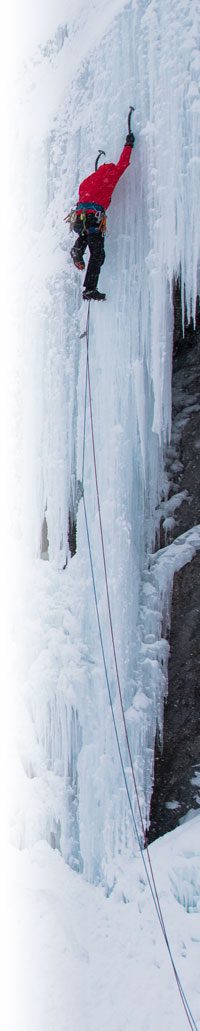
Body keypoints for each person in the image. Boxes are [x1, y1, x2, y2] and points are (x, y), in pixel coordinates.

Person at [69, 127, 135, 301]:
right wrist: (128, 145)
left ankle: (77, 249)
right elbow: (123, 164)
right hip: (92, 218)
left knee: (86, 234)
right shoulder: (111, 175)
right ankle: (90, 289)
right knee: (98, 254)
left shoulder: (87, 181)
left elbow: (87, 197)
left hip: (79, 218)